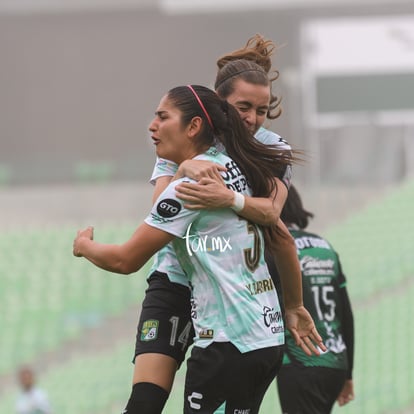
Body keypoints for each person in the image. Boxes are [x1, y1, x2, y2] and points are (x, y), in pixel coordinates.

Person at [73, 85, 324, 413]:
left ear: (193, 127)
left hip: (226, 341)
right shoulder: (240, 168)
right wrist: (294, 306)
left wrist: (84, 246)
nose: (152, 126)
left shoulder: (190, 188)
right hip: (266, 336)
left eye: (163, 117)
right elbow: (284, 240)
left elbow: (125, 260)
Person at [274, 185, 355, 414]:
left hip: (302, 362)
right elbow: (346, 314)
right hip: (335, 364)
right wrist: (348, 373)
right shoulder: (325, 247)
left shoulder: (279, 248)